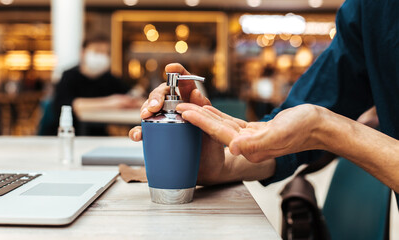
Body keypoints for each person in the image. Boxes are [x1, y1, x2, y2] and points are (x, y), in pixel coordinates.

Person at [129, 0, 399, 208]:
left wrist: (328, 130)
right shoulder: (372, 9)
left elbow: (314, 121)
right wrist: (223, 165)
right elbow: (298, 118)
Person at [48, 34, 142, 136]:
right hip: (69, 133)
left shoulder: (110, 78)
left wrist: (132, 100)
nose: (102, 56)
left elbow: (132, 96)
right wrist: (111, 102)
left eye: (106, 53)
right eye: (97, 51)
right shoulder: (69, 76)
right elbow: (68, 105)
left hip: (99, 134)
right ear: (83, 52)